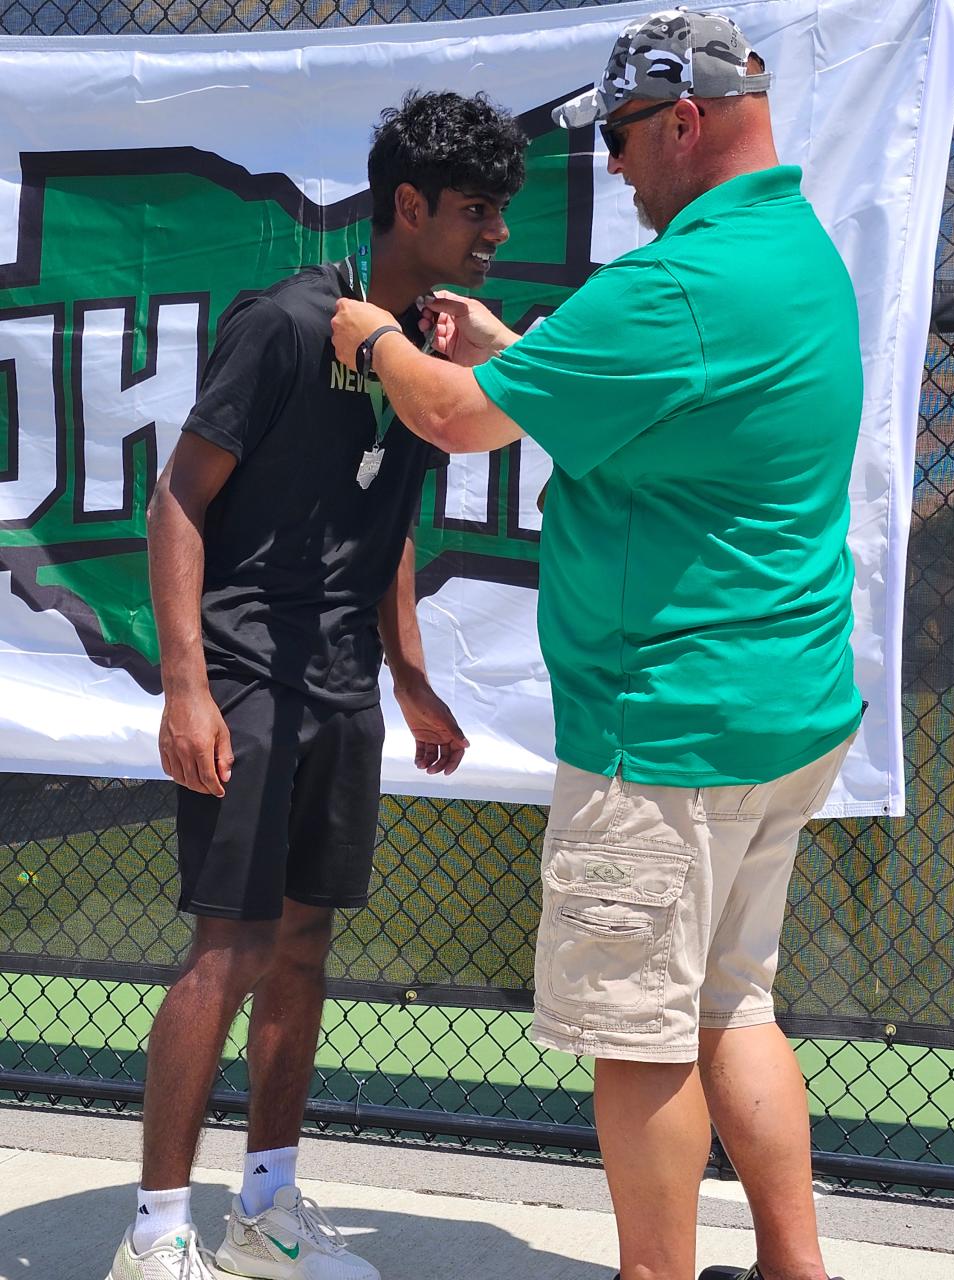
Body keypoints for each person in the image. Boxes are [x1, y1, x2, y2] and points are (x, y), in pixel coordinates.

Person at [331, 12, 863, 1280]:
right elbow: (664, 428)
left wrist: (372, 337)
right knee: (737, 1003)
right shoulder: (797, 252)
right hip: (784, 711)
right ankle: (798, 1268)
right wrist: (521, 359)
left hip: (665, 725)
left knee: (638, 1035)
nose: (613, 167)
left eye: (623, 138)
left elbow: (459, 422)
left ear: (686, 119)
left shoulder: (672, 286)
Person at [106, 90, 526, 1280]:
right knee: (227, 950)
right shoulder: (288, 324)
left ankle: (265, 1210)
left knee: (302, 948)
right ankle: (152, 1232)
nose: (494, 232)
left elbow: (384, 520)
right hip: (244, 670)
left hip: (341, 685)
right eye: (475, 211)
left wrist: (411, 675)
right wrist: (184, 688)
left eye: (501, 209)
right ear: (408, 206)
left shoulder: (424, 353)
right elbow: (177, 497)